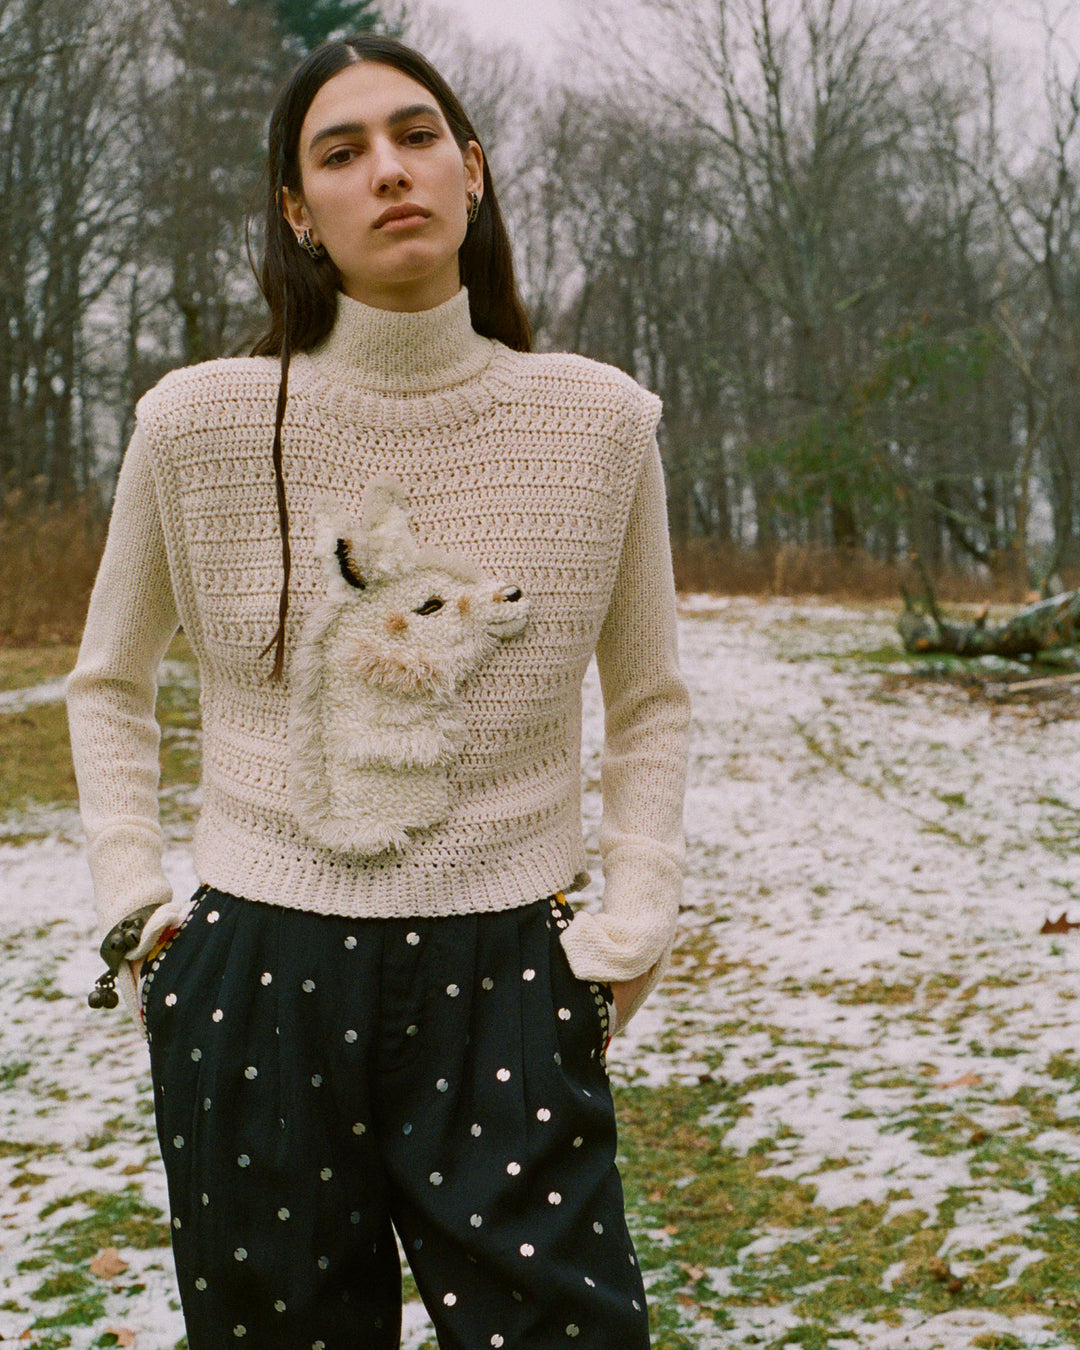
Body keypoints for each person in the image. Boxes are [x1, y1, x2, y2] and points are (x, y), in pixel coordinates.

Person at [67, 32, 690, 1350]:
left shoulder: (602, 420)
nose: (387, 172)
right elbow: (108, 682)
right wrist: (133, 907)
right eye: (339, 153)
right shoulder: (195, 422)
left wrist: (633, 919)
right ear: (299, 212)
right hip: (259, 972)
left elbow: (649, 702)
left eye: (416, 138)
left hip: (512, 968)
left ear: (472, 171)